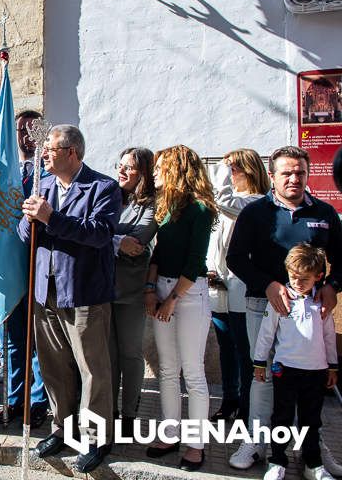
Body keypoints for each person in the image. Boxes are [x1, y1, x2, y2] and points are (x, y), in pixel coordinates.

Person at [226, 145, 342, 470]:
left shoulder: (324, 213)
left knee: (308, 385)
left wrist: (332, 287)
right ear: (272, 176)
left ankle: (311, 451)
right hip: (262, 303)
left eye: (300, 172)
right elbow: (235, 258)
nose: (294, 178)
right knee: (262, 376)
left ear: (307, 174)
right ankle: (256, 444)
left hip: (309, 312)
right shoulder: (255, 213)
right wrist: (268, 284)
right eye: (286, 173)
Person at [18, 124, 120, 473]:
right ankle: (62, 427)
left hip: (83, 291)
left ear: (72, 152)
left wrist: (51, 218)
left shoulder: (103, 187)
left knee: (92, 369)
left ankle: (96, 437)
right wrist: (29, 218)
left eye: (50, 149)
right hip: (44, 291)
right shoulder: (42, 185)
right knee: (53, 366)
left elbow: (100, 234)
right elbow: (23, 233)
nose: (43, 154)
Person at [144, 145, 216, 472]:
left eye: (160, 168)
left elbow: (195, 261)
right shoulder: (164, 207)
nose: (154, 172)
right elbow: (158, 253)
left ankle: (196, 444)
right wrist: (151, 289)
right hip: (162, 289)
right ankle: (170, 432)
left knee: (193, 371)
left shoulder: (201, 210)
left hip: (188, 293)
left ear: (175, 169)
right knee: (168, 369)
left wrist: (172, 299)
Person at [254, 244, 337, 480]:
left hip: (316, 372)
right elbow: (266, 334)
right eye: (294, 277)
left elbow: (329, 337)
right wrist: (259, 363)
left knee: (311, 420)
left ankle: (313, 464)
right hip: (285, 370)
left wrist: (332, 366)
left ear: (318, 277)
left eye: (305, 279)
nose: (299, 283)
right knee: (282, 417)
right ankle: (277, 461)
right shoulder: (281, 301)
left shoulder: (322, 304)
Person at [0, 109, 49, 426]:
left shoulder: (50, 171)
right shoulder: (6, 171)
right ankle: (15, 399)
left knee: (38, 341)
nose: (25, 134)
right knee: (13, 339)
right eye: (20, 129)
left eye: (31, 128)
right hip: (9, 266)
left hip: (39, 266)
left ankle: (38, 402)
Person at [206, 149, 269, 422]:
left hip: (242, 288)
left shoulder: (256, 202)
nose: (229, 176)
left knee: (245, 352)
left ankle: (247, 405)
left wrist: (219, 168)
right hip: (219, 286)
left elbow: (225, 200)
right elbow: (215, 240)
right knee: (226, 350)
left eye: (233, 170)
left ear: (250, 171)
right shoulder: (229, 204)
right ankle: (229, 399)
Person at [109, 147, 157, 438]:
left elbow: (139, 239)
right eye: (121, 165)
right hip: (103, 286)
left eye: (130, 168)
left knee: (129, 353)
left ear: (144, 174)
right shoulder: (109, 196)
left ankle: (128, 415)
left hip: (131, 289)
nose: (122, 171)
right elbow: (95, 230)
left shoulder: (151, 204)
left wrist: (107, 239)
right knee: (108, 355)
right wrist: (116, 241)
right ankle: (109, 412)